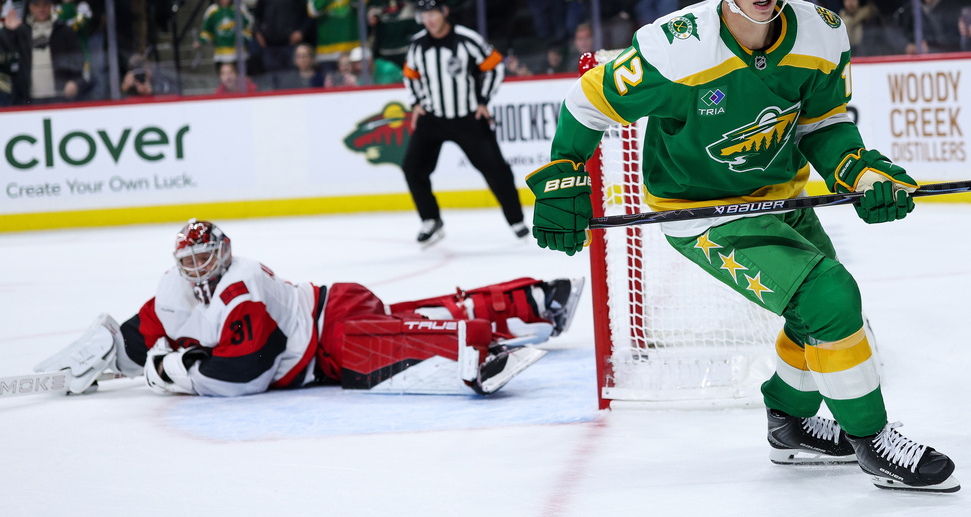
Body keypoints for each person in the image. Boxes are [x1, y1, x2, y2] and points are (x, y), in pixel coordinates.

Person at [527, 0, 960, 493]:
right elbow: (587, 104)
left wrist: (857, 170)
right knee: (832, 296)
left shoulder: (822, 32)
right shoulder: (677, 49)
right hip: (701, 213)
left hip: (782, 196)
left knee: (818, 316)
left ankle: (791, 422)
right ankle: (873, 440)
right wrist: (562, 171)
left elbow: (823, 124)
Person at [35, 219, 583, 397]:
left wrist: (177, 372)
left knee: (372, 351)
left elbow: (249, 370)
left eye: (209, 256)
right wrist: (109, 357)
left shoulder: (240, 284)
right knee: (406, 318)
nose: (201, 268)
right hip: (331, 314)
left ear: (224, 252)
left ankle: (472, 349)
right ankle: (531, 302)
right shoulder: (170, 293)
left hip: (326, 332)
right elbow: (142, 334)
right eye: (192, 260)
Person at [402, 0, 529, 247]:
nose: (429, 20)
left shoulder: (466, 40)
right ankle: (431, 220)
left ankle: (517, 221)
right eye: (424, 15)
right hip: (433, 118)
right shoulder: (417, 44)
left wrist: (483, 100)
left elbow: (495, 67)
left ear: (445, 12)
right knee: (412, 167)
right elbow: (410, 75)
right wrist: (416, 103)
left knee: (497, 171)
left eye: (433, 13)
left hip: (468, 118)